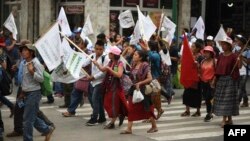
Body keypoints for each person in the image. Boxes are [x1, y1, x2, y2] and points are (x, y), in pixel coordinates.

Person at [18, 43, 54, 141]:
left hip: (34, 94)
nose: (23, 52)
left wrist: (32, 72)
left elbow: (41, 79)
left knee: (27, 120)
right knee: (30, 117)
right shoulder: (25, 62)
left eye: (26, 50)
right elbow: (25, 80)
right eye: (22, 50)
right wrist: (22, 92)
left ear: (31, 52)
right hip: (27, 93)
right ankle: (47, 130)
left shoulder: (36, 63)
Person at [121, 50, 158, 134]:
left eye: (135, 55)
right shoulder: (134, 65)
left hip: (143, 90)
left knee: (146, 109)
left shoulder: (145, 65)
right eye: (134, 54)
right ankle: (129, 129)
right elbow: (132, 76)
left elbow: (150, 78)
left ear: (140, 57)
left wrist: (140, 83)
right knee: (131, 108)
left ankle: (154, 126)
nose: (133, 56)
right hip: (134, 90)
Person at [93, 45, 128, 129]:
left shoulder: (119, 63)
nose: (108, 54)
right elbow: (103, 69)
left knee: (113, 105)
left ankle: (112, 122)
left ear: (113, 54)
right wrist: (97, 64)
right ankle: (119, 115)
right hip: (110, 87)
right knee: (108, 104)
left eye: (110, 53)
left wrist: (109, 69)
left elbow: (118, 75)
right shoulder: (111, 62)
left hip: (116, 87)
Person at [79, 40, 110, 125]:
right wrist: (77, 64)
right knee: (95, 100)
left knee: (95, 99)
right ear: (94, 48)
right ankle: (102, 117)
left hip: (100, 82)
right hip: (92, 82)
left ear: (103, 49)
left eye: (100, 49)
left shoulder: (106, 58)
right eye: (97, 49)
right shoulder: (92, 56)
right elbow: (84, 63)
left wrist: (93, 77)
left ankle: (94, 118)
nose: (98, 51)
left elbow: (104, 72)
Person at [212, 37, 241, 128]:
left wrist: (239, 62)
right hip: (221, 80)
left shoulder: (234, 56)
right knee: (222, 100)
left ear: (229, 46)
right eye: (222, 44)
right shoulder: (220, 56)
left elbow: (238, 68)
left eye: (225, 44)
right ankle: (227, 119)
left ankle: (227, 120)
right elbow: (217, 69)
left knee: (228, 101)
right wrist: (214, 79)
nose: (223, 46)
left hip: (230, 81)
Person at [181, 40, 204, 117]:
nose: (191, 47)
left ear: (197, 48)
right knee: (186, 94)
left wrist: (197, 65)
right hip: (188, 78)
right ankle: (187, 111)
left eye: (193, 46)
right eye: (191, 46)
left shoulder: (200, 57)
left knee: (197, 95)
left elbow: (202, 68)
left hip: (197, 79)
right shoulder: (190, 55)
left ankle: (198, 111)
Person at [200, 46, 216, 122]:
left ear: (211, 53)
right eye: (205, 52)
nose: (206, 54)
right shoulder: (203, 61)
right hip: (204, 82)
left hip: (211, 82)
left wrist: (213, 81)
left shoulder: (214, 61)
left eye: (208, 52)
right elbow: (200, 71)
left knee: (208, 98)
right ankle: (209, 112)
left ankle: (209, 113)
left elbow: (217, 72)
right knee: (206, 98)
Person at [234, 34, 249, 107]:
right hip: (238, 71)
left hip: (245, 71)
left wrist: (242, 56)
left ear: (242, 42)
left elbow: (248, 62)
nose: (237, 42)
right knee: (242, 87)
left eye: (238, 41)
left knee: (240, 87)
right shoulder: (237, 50)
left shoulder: (248, 51)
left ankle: (237, 102)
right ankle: (245, 101)